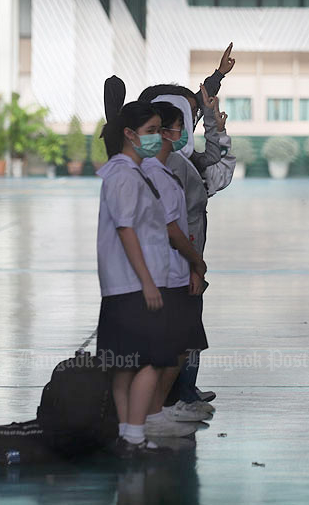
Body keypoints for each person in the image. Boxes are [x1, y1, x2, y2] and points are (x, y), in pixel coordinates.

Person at [136, 42, 236, 410]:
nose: (188, 124)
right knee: (182, 330)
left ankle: (181, 393)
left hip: (187, 258)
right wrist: (196, 263)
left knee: (188, 329)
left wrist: (219, 76)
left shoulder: (182, 158)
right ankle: (171, 399)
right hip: (178, 263)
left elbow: (198, 101)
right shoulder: (164, 167)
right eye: (182, 121)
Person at [95, 95, 176, 458]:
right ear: (129, 134)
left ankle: (129, 437)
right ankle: (135, 434)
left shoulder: (124, 173)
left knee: (125, 366)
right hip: (135, 285)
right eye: (151, 131)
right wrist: (147, 282)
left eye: (159, 131)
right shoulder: (124, 176)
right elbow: (127, 229)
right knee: (150, 361)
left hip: (124, 284)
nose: (157, 138)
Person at [139, 101, 213, 431]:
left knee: (182, 344)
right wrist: (197, 262)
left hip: (175, 271)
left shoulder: (168, 170)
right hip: (167, 273)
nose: (183, 132)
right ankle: (153, 412)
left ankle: (157, 410)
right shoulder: (157, 174)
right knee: (175, 345)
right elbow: (171, 229)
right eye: (180, 126)